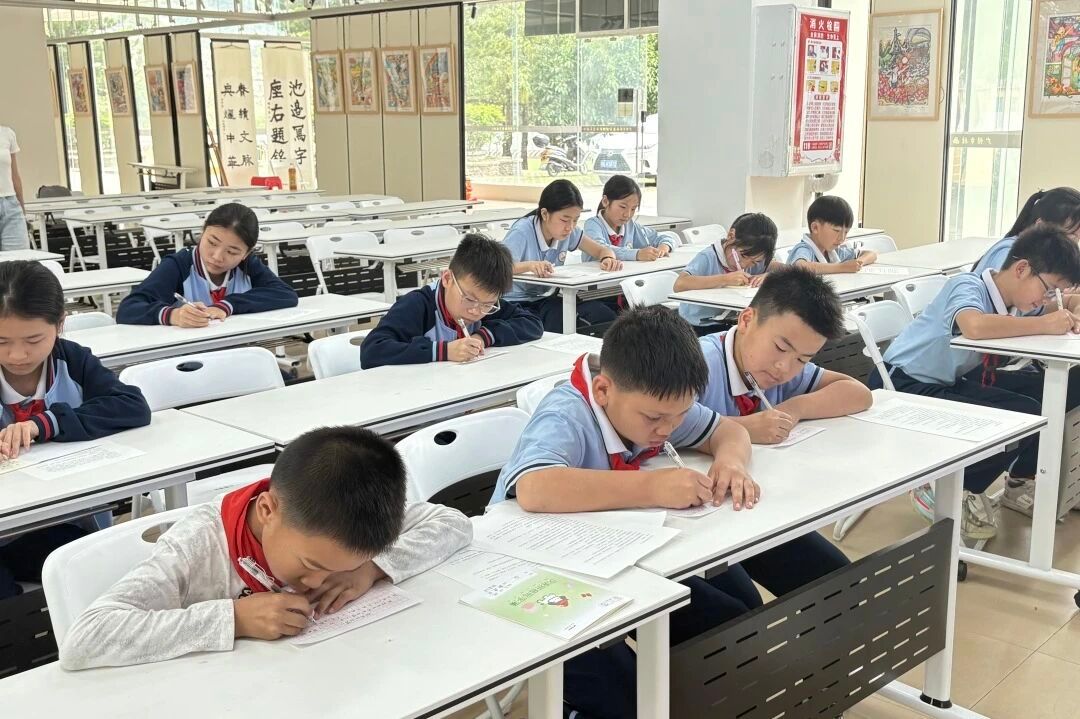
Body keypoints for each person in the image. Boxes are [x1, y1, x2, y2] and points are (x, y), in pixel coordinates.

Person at [490, 305, 848, 718]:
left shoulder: (662, 401)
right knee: (630, 698)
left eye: (679, 417)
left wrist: (730, 462)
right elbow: (535, 488)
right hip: (534, 586)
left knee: (731, 624)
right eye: (655, 419)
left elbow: (728, 429)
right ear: (603, 391)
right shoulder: (567, 413)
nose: (667, 430)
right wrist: (653, 486)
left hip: (619, 563)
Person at [59, 425, 473, 670]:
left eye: (340, 567)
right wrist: (233, 618)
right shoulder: (199, 545)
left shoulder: (349, 519)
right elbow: (86, 638)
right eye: (311, 564)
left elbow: (453, 522)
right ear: (268, 510)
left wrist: (371, 568)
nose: (319, 582)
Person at [870, 226, 1080, 540]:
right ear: (1022, 269)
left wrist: (1068, 309)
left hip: (947, 380)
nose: (1048, 299)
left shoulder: (1016, 300)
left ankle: (1004, 480)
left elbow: (1056, 307)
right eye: (1049, 289)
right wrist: (1045, 323)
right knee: (1022, 414)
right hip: (902, 382)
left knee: (1047, 399)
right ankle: (944, 484)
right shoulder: (968, 285)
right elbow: (975, 326)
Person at [0, 261, 151, 599]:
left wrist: (46, 423)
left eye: (33, 339)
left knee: (98, 576)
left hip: (63, 519)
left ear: (60, 324)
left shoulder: (73, 360)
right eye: (1, 341)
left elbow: (132, 406)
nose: (17, 355)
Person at [698, 266, 873, 444]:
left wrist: (794, 409)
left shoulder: (785, 369)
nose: (785, 368)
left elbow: (860, 394)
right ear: (747, 320)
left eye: (802, 359)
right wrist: (742, 428)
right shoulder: (698, 363)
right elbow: (680, 422)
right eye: (780, 348)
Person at [360, 233, 543, 368]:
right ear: (447, 279)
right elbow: (372, 351)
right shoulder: (417, 305)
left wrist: (483, 336)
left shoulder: (482, 304)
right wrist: (445, 351)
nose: (476, 312)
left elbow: (532, 322)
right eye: (469, 299)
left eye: (488, 305)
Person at [117, 203, 298, 326]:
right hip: (184, 357)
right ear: (202, 232)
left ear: (246, 254)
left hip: (236, 349)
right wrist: (173, 315)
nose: (217, 257)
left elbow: (285, 294)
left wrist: (227, 305)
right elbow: (128, 309)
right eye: (212, 242)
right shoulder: (179, 265)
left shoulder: (248, 266)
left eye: (232, 252)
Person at [502, 179, 624, 332]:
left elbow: (602, 250)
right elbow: (500, 267)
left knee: (605, 316)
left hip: (547, 298)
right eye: (564, 220)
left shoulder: (568, 232)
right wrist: (530, 265)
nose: (570, 227)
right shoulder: (522, 232)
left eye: (575, 220)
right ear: (545, 214)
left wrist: (608, 258)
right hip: (517, 302)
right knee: (564, 322)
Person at [674, 212, 780, 334]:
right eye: (743, 256)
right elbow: (679, 284)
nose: (745, 264)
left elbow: (785, 269)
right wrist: (725, 279)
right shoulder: (708, 257)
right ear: (731, 236)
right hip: (698, 325)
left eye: (755, 262)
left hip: (728, 322)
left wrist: (769, 276)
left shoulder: (753, 257)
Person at [972, 187, 1080, 275]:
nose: (1075, 244)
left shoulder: (1047, 259)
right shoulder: (1008, 253)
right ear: (1041, 226)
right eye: (1071, 234)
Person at [581, 175, 677, 262]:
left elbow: (666, 237)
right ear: (605, 201)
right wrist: (637, 254)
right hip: (596, 275)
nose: (627, 214)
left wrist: (664, 247)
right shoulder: (592, 225)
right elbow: (601, 249)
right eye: (623, 207)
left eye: (633, 209)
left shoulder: (630, 226)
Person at [787, 196, 877, 274]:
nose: (842, 238)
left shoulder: (834, 252)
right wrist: (842, 267)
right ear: (815, 228)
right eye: (836, 231)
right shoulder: (804, 249)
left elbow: (872, 254)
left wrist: (858, 263)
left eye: (846, 232)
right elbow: (800, 267)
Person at [0, 124, 30, 251]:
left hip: (11, 205)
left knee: (19, 258)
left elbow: (15, 175)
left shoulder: (7, 133)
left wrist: (22, 209)